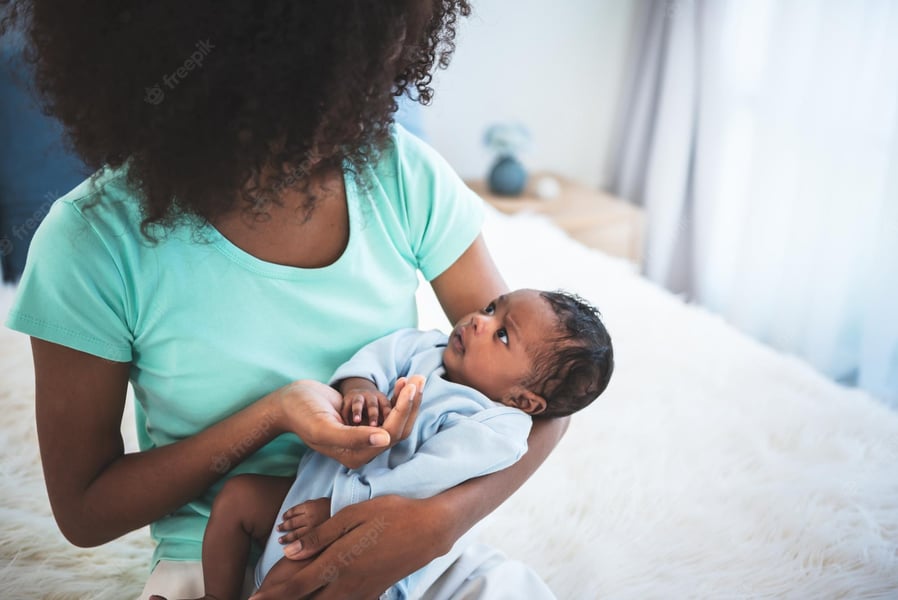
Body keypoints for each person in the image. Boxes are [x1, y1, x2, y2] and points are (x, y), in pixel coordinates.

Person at [0, 2, 575, 599]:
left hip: (406, 548)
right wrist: (275, 413)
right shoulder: (92, 241)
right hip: (222, 567)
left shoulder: (399, 176)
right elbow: (86, 510)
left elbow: (546, 395)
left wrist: (434, 525)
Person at [158, 289, 613, 600]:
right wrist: (360, 390)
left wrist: (338, 509)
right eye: (493, 307)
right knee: (238, 498)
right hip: (302, 494)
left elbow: (421, 483)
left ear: (522, 399)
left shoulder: (495, 429)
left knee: (292, 581)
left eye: (502, 334)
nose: (478, 320)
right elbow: (373, 360)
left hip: (366, 536)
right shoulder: (427, 348)